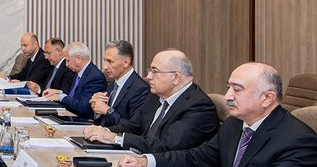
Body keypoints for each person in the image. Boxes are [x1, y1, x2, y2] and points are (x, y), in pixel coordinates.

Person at [117, 63, 317, 167]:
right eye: (228, 88)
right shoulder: (235, 124)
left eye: (237, 90)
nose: (228, 96)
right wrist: (146, 161)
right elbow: (198, 157)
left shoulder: (298, 140)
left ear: (267, 98)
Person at [82, 49, 218, 153]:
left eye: (154, 71)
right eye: (149, 70)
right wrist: (103, 131)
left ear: (176, 77)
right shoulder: (156, 96)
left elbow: (166, 145)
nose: (148, 77)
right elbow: (133, 126)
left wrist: (115, 139)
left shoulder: (199, 106)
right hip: (141, 158)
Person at [88, 40, 149, 127]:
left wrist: (107, 111)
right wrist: (97, 110)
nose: (104, 67)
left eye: (110, 61)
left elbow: (134, 127)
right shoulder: (112, 83)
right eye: (105, 60)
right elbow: (103, 122)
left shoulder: (140, 88)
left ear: (126, 62)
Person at [40, 41, 107, 118]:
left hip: (83, 120)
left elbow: (83, 107)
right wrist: (58, 92)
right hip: (70, 116)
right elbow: (74, 96)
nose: (66, 64)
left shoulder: (94, 77)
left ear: (78, 58)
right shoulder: (79, 72)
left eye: (68, 60)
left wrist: (61, 97)